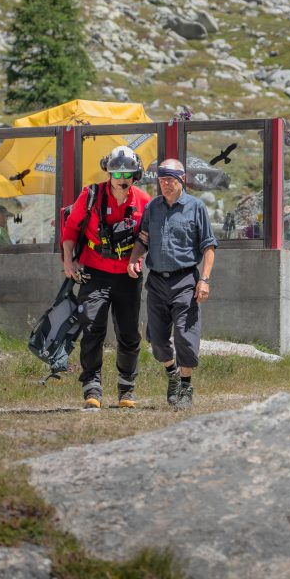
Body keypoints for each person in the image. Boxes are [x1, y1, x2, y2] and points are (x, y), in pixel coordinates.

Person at [62, 145, 151, 409]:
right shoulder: (89, 196)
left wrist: (137, 259)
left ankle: (127, 389)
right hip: (94, 272)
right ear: (107, 173)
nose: (121, 179)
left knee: (128, 333)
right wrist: (69, 261)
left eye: (127, 174)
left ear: (136, 175)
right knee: (92, 327)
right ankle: (92, 386)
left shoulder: (144, 201)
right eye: (116, 173)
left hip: (128, 275)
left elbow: (147, 238)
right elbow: (70, 231)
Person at [128, 158, 217, 411]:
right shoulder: (153, 208)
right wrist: (134, 260)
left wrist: (204, 279)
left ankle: (186, 387)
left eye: (170, 180)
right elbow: (143, 239)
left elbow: (208, 246)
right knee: (157, 338)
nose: (165, 184)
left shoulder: (196, 207)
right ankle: (172, 375)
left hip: (185, 281)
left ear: (181, 180)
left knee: (185, 337)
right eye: (161, 180)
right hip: (156, 282)